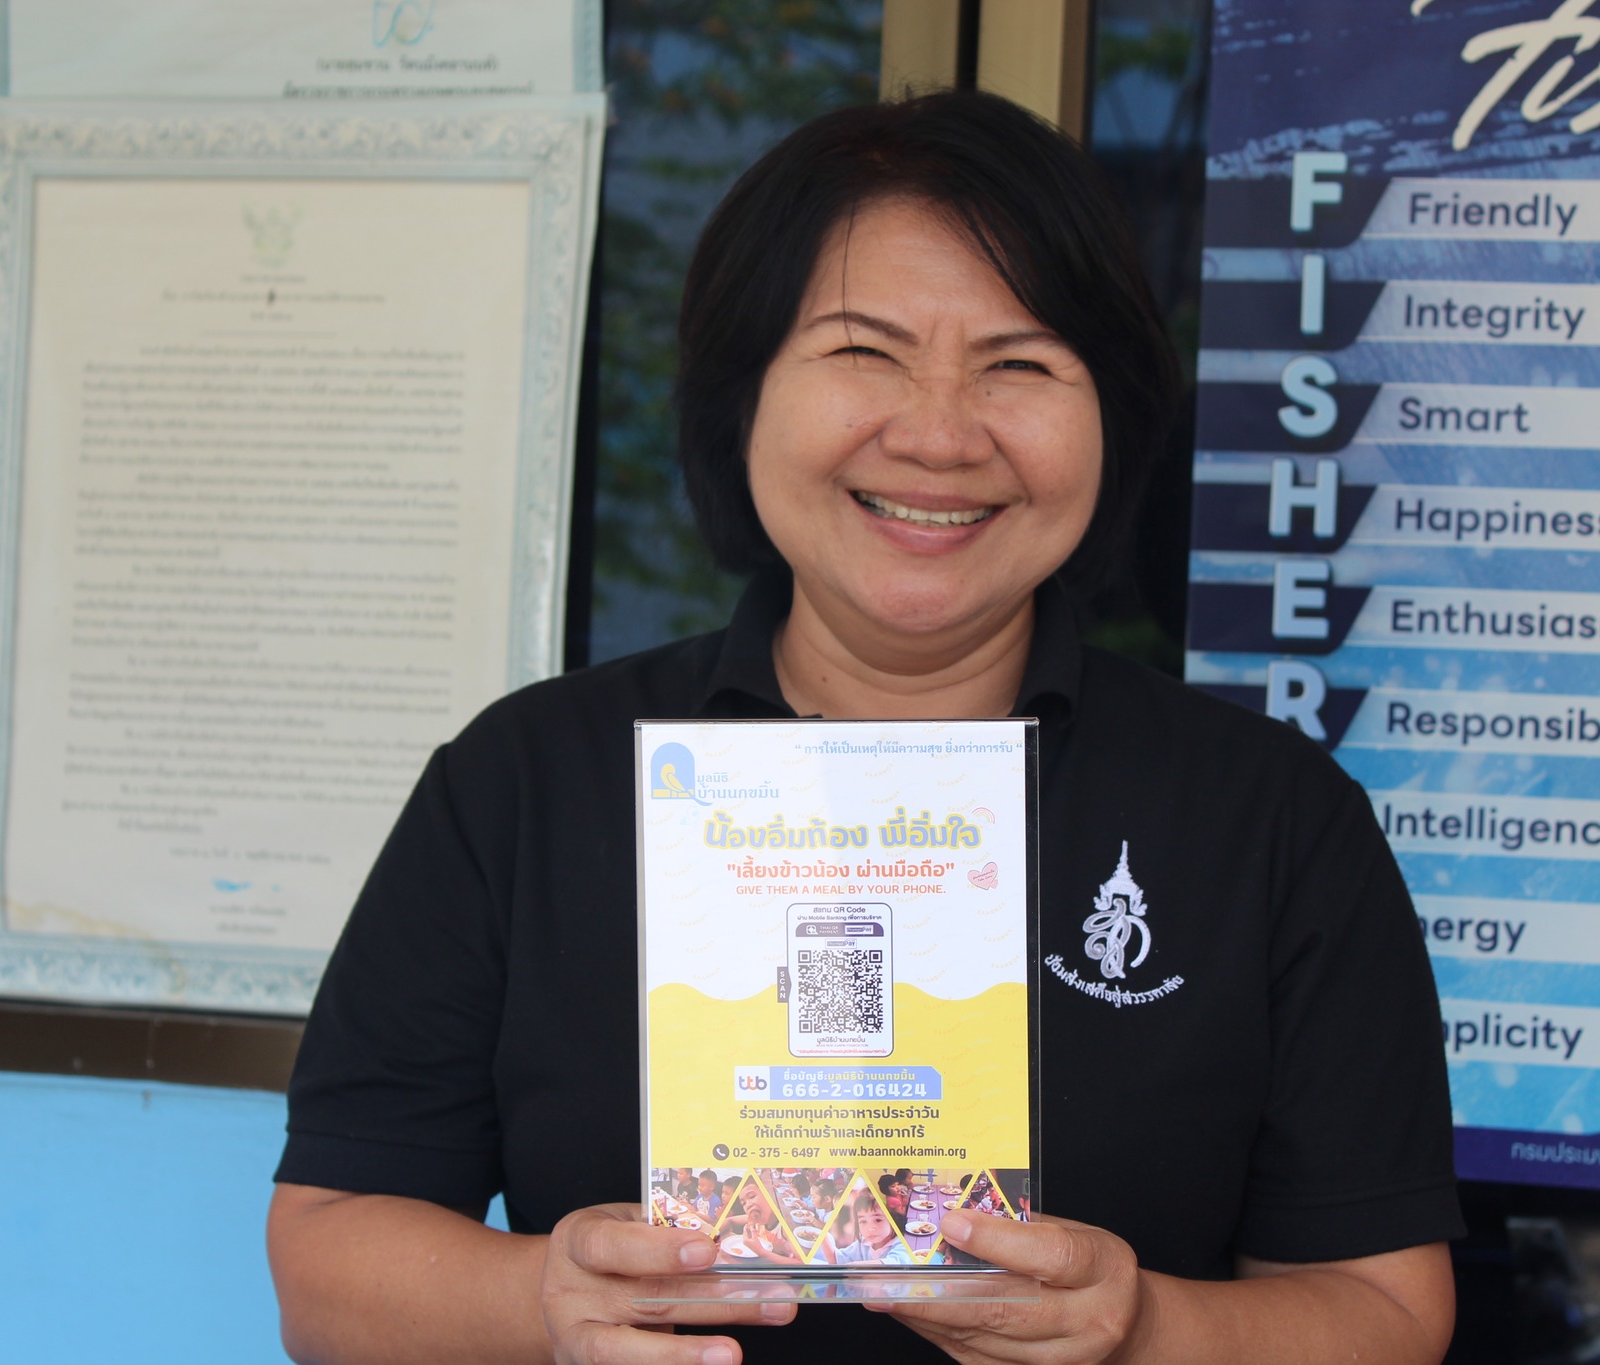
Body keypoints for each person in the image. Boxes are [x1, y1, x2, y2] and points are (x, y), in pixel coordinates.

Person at [269, 89, 1460, 1365]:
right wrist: (540, 1300)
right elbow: (328, 1259)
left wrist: (1147, 1329)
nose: (938, 435)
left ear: (1110, 418)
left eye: (1018, 364)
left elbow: (1386, 1311)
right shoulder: (524, 784)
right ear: (742, 397)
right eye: (862, 353)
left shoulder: (1265, 818)